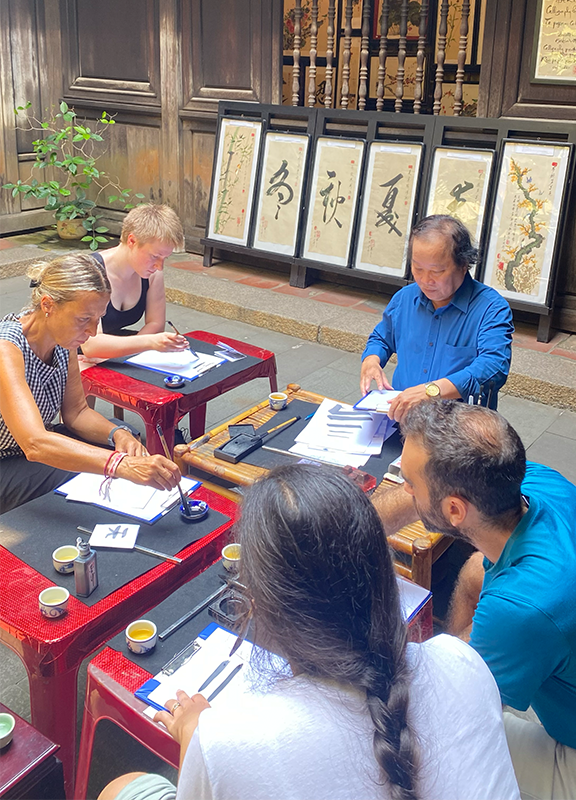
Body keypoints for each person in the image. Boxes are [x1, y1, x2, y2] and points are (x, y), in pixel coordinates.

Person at [99, 464, 519, 800]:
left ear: (261, 604)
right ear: (384, 574)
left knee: (121, 787)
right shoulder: (463, 661)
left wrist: (194, 737)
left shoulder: (228, 742)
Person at [382, 400, 576, 799]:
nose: (404, 489)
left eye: (409, 482)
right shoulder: (532, 483)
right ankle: (472, 656)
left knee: (426, 749)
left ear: (453, 510)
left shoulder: (522, 609)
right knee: (476, 569)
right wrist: (353, 520)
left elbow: (461, 711)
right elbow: (481, 572)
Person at [0, 253, 181, 514]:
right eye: (84, 319)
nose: (92, 332)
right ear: (48, 305)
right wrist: (119, 465)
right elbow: (35, 443)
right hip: (8, 459)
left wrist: (118, 435)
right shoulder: (7, 347)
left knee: (124, 436)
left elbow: (77, 413)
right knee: (82, 474)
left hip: (31, 446)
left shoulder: (63, 341)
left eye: (98, 319)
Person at [360, 215, 513, 422]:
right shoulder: (405, 298)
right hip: (403, 419)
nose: (425, 280)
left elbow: (493, 366)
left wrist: (431, 391)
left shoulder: (491, 308)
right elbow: (382, 338)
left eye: (437, 271)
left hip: (459, 429)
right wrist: (371, 360)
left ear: (463, 264)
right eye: (418, 269)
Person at [79, 203, 189, 360]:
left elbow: (156, 324)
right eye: (154, 256)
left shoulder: (153, 274)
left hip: (108, 354)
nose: (159, 266)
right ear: (132, 241)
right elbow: (91, 344)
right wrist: (148, 343)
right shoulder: (90, 273)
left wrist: (126, 353)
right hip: (68, 354)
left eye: (165, 258)